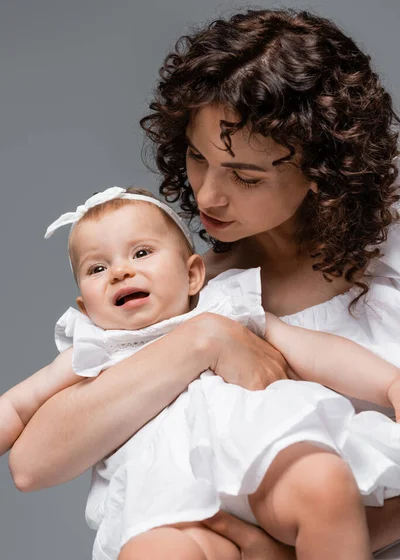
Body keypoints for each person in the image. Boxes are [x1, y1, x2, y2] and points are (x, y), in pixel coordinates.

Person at [8, 8, 400, 558]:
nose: (207, 196)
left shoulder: (389, 271)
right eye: (197, 157)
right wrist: (203, 340)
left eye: (245, 176)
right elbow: (30, 464)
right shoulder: (190, 292)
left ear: (323, 172)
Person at [2, 185, 400, 560]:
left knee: (326, 485)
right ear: (85, 308)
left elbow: (314, 352)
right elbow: (18, 407)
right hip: (165, 501)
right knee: (153, 553)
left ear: (193, 274)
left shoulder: (227, 303)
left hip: (263, 464)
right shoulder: (96, 348)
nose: (119, 272)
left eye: (141, 253)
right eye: (97, 268)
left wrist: (389, 384)